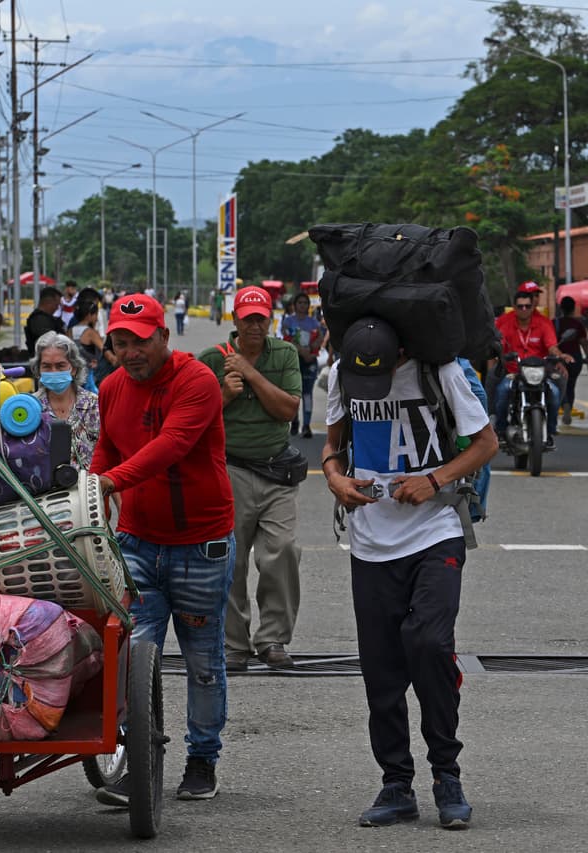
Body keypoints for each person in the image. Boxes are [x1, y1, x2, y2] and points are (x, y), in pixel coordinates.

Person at [320, 316, 497, 831]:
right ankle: (396, 784)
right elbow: (331, 446)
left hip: (434, 531)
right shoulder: (342, 375)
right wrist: (334, 478)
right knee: (381, 671)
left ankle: (447, 776)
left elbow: (485, 443)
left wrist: (434, 479)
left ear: (401, 352)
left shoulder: (440, 372)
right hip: (370, 542)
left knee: (429, 644)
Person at [89, 292, 234, 806]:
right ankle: (136, 763)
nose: (131, 353)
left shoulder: (197, 381)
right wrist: (92, 492)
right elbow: (108, 446)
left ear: (164, 337)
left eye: (141, 341)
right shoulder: (111, 387)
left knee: (202, 660)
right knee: (130, 656)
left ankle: (202, 759)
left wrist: (112, 482)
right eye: (120, 343)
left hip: (200, 545)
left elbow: (171, 445)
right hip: (136, 544)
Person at [198, 286, 303, 672]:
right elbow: (194, 417)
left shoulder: (285, 354)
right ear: (235, 320)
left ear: (270, 319)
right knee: (231, 558)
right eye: (248, 319)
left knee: (283, 550)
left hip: (277, 470)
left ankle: (273, 638)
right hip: (230, 469)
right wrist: (224, 395)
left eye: (261, 318)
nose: (255, 326)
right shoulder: (212, 359)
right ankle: (234, 643)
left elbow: (287, 410)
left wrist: (250, 373)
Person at [491, 289, 571, 450]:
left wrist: (560, 356)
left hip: (540, 374)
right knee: (502, 391)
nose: (524, 310)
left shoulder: (543, 323)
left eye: (527, 306)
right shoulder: (505, 323)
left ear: (533, 307)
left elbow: (552, 346)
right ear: (514, 307)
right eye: (520, 306)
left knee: (555, 393)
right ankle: (500, 431)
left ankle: (550, 431)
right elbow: (497, 345)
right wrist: (498, 356)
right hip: (514, 373)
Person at [31, 332, 99, 470]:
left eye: (60, 365)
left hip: (89, 481)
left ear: (73, 368)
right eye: (46, 366)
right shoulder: (31, 407)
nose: (53, 372)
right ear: (39, 369)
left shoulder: (93, 404)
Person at [281, 292, 323, 438]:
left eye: (305, 303)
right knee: (294, 393)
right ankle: (295, 421)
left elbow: (320, 338)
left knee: (307, 393)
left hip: (310, 361)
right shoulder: (288, 321)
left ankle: (306, 425)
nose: (302, 305)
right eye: (300, 303)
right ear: (294, 305)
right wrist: (301, 351)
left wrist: (310, 350)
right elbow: (287, 338)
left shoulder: (314, 322)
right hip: (294, 361)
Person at [554, 296, 588, 425]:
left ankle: (565, 404)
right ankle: (568, 407)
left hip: (559, 358)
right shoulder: (578, 325)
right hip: (575, 358)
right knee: (571, 385)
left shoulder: (554, 323)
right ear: (573, 309)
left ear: (561, 308)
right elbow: (584, 343)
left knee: (560, 384)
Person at [68, 298, 105, 392]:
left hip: (73, 373)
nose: (97, 318)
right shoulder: (91, 333)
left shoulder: (69, 331)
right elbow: (104, 349)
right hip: (89, 375)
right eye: (96, 314)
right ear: (89, 315)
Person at [25, 286, 64, 352]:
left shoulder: (45, 318)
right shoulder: (39, 320)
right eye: (56, 305)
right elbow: (49, 342)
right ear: (49, 302)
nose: (57, 308)